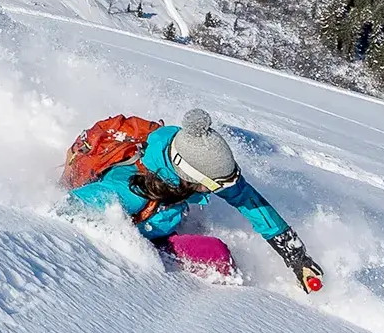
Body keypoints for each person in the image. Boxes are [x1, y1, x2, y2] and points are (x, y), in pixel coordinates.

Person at [65, 109, 324, 291]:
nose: (223, 190)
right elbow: (65, 212)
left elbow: (245, 197)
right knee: (217, 256)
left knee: (217, 254)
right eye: (217, 185)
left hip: (161, 220)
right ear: (190, 177)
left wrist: (296, 257)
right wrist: (127, 247)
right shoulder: (127, 192)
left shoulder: (193, 160)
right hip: (143, 239)